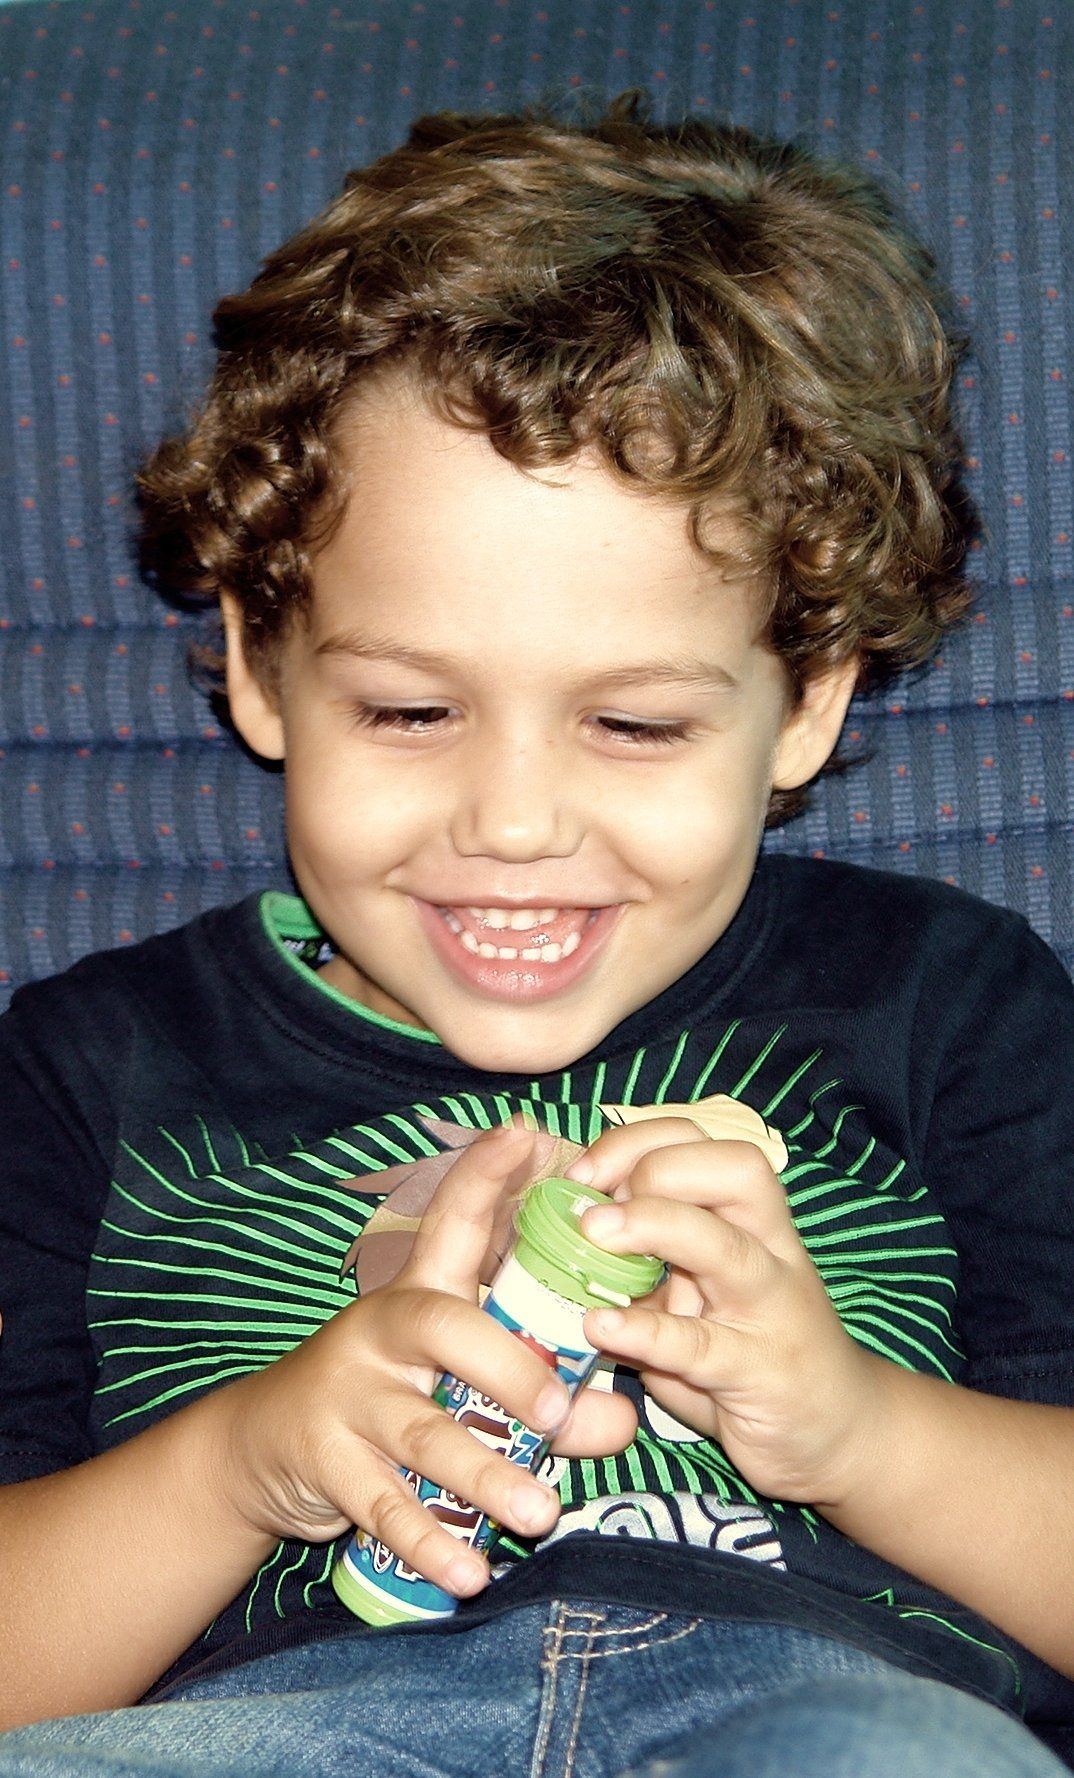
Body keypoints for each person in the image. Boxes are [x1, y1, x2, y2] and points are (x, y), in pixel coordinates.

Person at [0, 90, 1071, 1778]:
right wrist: (238, 1463)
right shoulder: (89, 1063)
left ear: (804, 703)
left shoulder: (947, 998)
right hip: (281, 1725)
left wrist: (858, 1430)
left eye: (632, 724)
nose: (511, 821)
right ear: (263, 668)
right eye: (411, 711)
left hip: (818, 1706)